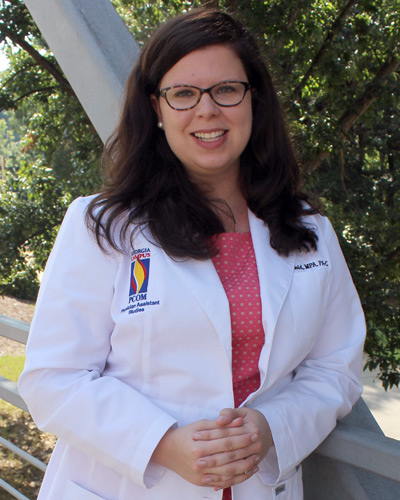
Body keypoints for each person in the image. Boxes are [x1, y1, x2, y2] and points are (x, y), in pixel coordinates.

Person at [18, 8, 366, 500]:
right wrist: (160, 442)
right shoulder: (103, 226)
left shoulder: (311, 231)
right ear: (156, 109)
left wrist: (272, 428)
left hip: (258, 486)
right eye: (183, 94)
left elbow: (336, 367)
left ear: (254, 100)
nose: (207, 111)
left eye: (227, 89)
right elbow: (54, 377)